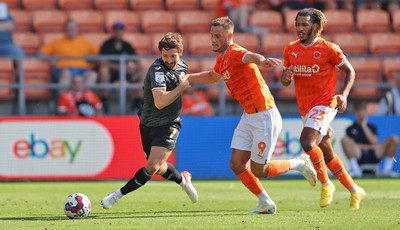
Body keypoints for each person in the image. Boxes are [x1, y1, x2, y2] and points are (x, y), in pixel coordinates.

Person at [187, 17, 317, 214]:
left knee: (259, 170)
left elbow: (249, 56)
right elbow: (213, 76)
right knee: (236, 163)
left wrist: (262, 60)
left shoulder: (234, 51)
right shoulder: (221, 59)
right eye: (211, 35)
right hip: (249, 115)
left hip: (264, 115)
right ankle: (266, 202)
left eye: (218, 36)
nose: (213, 40)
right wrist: (188, 77)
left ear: (229, 36)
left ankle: (299, 163)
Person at [280, 8, 366, 210]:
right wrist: (285, 80)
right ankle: (355, 190)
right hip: (306, 108)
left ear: (315, 27)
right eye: (297, 24)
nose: (299, 29)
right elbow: (285, 81)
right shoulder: (290, 49)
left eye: (304, 25)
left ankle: (326, 185)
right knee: (326, 154)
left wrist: (344, 95)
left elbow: (350, 71)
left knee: (306, 141)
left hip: (326, 103)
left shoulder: (329, 49)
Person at [101, 32, 198, 209]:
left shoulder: (183, 66)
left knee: (152, 166)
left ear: (181, 52)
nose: (169, 60)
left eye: (173, 56)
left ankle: (115, 196)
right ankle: (183, 180)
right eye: (165, 55)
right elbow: (160, 102)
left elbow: (191, 80)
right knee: (159, 167)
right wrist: (182, 88)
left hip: (170, 122)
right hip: (148, 122)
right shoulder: (157, 70)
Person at [342, 101, 399, 177]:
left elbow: (374, 141)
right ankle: (355, 170)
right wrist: (369, 147)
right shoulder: (350, 128)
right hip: (359, 154)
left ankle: (387, 170)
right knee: (344, 140)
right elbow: (352, 145)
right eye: (359, 110)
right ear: (356, 112)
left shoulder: (372, 127)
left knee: (394, 139)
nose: (361, 113)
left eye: (363, 110)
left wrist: (364, 126)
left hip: (375, 154)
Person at [98, 21, 145, 114]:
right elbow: (101, 62)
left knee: (143, 71)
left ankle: (138, 101)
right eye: (116, 31)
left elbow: (137, 61)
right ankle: (104, 99)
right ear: (113, 32)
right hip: (111, 73)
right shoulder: (106, 44)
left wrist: (134, 68)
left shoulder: (127, 45)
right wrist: (119, 67)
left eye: (120, 31)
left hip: (126, 72)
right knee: (103, 69)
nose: (119, 33)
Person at [41, 20, 98, 88]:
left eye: (73, 28)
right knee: (66, 73)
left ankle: (83, 97)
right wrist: (51, 60)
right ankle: (65, 97)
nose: (72, 30)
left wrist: (91, 58)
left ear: (77, 29)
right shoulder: (57, 42)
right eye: (69, 28)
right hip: (62, 69)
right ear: (65, 30)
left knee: (92, 74)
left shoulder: (85, 42)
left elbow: (97, 53)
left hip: (82, 69)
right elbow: (42, 53)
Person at [0, 3, 25, 68]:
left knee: (19, 53)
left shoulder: (8, 15)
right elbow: (6, 26)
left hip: (7, 45)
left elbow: (10, 27)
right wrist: (3, 25)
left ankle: (17, 75)